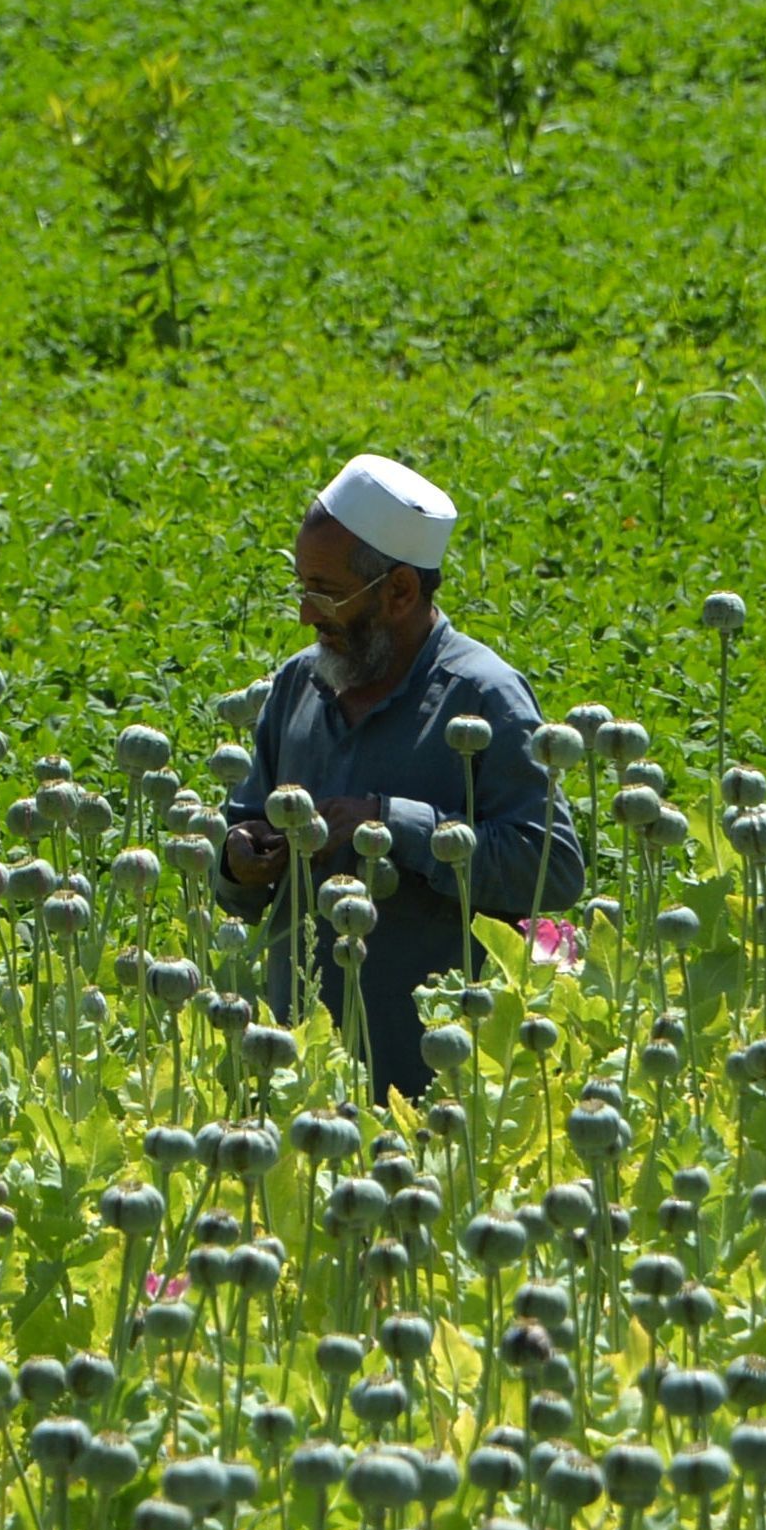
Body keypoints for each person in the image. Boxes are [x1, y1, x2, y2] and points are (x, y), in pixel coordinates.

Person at [219, 453, 583, 1098]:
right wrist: (239, 860)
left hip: (433, 1085)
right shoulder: (299, 685)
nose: (306, 614)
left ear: (399, 592)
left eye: (326, 592)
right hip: (297, 1082)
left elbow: (552, 868)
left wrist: (394, 823)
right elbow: (242, 837)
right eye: (301, 586)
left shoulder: (482, 698)